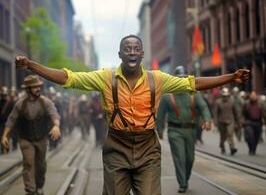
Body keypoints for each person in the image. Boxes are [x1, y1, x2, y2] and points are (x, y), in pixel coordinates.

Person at [13, 35, 249, 195]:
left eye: (136, 49)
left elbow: (193, 83)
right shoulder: (105, 77)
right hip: (117, 147)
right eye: (127, 49)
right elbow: (68, 77)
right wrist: (32, 65)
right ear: (120, 54)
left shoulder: (158, 79)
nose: (132, 52)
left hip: (148, 149)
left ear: (142, 53)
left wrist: (231, 77)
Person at [1, 75, 61, 195]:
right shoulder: (20, 104)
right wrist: (4, 135)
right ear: (28, 89)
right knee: (28, 163)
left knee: (41, 165)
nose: (38, 89)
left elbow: (54, 114)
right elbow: (11, 120)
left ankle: (39, 186)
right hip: (25, 139)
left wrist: (56, 125)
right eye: (34, 87)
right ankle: (30, 190)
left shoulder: (46, 102)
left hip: (41, 138)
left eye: (38, 87)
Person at [156, 66, 212, 193]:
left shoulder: (193, 94)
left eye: (183, 78)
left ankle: (184, 179)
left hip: (191, 131)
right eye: (179, 79)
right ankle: (182, 183)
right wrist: (159, 130)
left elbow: (203, 107)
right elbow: (160, 115)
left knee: (190, 158)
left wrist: (207, 120)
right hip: (175, 131)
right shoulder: (167, 96)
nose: (181, 80)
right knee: (179, 157)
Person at [214, 87, 239, 155]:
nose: (225, 97)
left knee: (230, 134)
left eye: (226, 95)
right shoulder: (218, 102)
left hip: (230, 121)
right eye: (224, 96)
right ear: (222, 95)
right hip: (221, 121)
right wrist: (215, 121)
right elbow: (215, 113)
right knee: (223, 136)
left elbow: (236, 112)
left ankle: (232, 148)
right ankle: (222, 146)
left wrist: (237, 122)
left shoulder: (232, 101)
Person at [242, 91, 264, 155]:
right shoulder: (246, 103)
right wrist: (242, 121)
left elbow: (264, 113)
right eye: (252, 95)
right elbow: (242, 113)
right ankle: (251, 148)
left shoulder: (260, 103)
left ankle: (253, 149)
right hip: (249, 122)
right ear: (250, 96)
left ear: (256, 96)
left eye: (254, 95)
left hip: (258, 122)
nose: (253, 97)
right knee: (250, 136)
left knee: (256, 137)